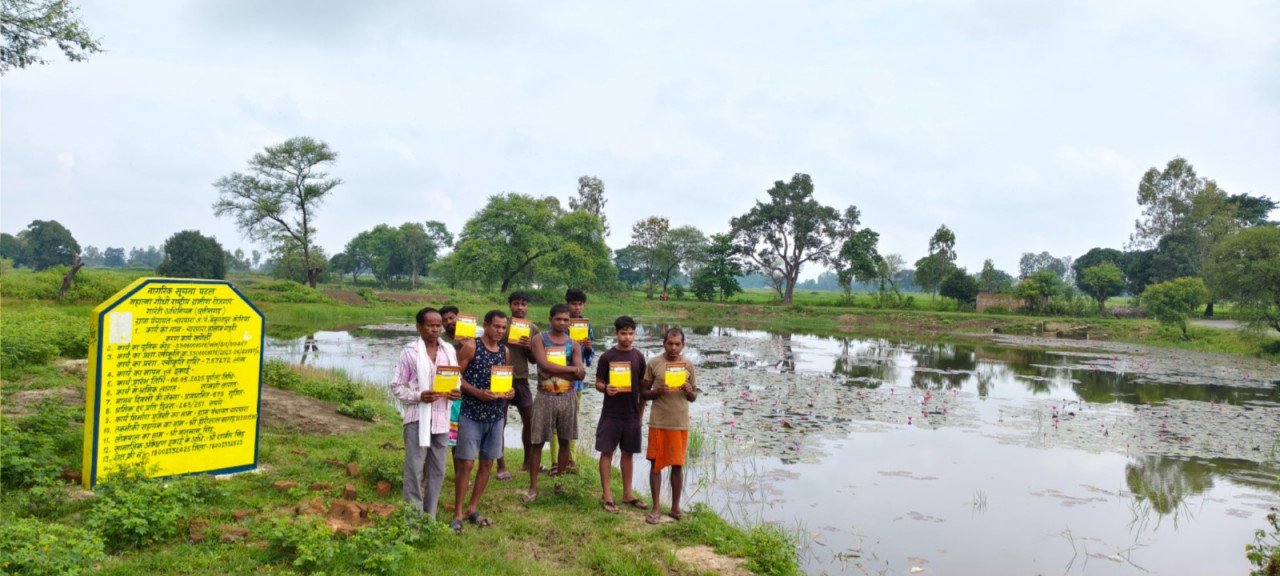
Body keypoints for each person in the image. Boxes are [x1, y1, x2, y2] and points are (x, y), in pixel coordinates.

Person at [389, 307, 461, 518]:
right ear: (419, 327)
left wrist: (455, 391)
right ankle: (413, 519)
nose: (435, 330)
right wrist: (419, 396)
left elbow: (456, 379)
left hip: (442, 419)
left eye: (438, 326)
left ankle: (429, 517)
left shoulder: (449, 350)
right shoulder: (410, 352)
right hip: (417, 419)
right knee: (414, 469)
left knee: (438, 470)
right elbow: (396, 386)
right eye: (430, 325)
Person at [451, 310, 515, 533]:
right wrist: (477, 392)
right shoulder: (471, 346)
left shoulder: (505, 351)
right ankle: (457, 513)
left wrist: (511, 391)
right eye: (496, 326)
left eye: (503, 328)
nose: (500, 331)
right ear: (486, 325)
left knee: (487, 463)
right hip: (471, 413)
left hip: (495, 415)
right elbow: (456, 377)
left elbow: (506, 381)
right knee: (466, 464)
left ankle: (472, 508)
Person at [523, 304, 584, 502]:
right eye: (558, 319)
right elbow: (542, 365)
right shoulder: (539, 339)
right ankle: (533, 487)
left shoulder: (574, 344)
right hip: (545, 396)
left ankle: (559, 482)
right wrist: (571, 370)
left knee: (565, 440)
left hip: (567, 396)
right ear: (551, 319)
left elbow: (581, 372)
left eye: (566, 320)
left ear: (570, 322)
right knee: (537, 442)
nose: (562, 323)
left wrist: (553, 370)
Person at [640, 327, 698, 524]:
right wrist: (656, 391)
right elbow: (643, 392)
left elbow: (693, 397)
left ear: (683, 345)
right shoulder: (654, 363)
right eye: (670, 344)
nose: (673, 348)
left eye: (677, 344)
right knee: (656, 464)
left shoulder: (688, 365)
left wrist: (689, 390)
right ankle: (656, 508)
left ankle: (675, 507)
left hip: (679, 423)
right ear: (663, 343)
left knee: (678, 465)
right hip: (659, 421)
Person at [594, 316, 647, 513]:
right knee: (607, 452)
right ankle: (607, 495)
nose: (627, 337)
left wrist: (640, 414)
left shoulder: (638, 356)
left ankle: (627, 494)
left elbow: (643, 387)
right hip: (611, 413)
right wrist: (605, 388)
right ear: (616, 333)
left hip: (631, 414)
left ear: (635, 334)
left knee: (628, 453)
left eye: (631, 333)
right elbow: (598, 383)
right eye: (623, 333)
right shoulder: (607, 357)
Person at [495, 291, 539, 481]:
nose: (520, 307)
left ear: (527, 306)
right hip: (500, 377)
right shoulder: (501, 324)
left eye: (523, 304)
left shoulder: (533, 329)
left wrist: (530, 346)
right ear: (510, 305)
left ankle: (527, 462)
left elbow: (535, 359)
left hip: (521, 378)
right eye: (516, 304)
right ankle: (501, 465)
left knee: (529, 420)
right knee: (500, 422)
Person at [552, 288, 593, 472]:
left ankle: (571, 460)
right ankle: (555, 461)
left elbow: (589, 359)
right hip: (557, 380)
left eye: (580, 304)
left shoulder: (586, 326)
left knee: (572, 421)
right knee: (555, 423)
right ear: (567, 304)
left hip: (577, 382)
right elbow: (550, 351)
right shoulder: (558, 324)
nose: (577, 307)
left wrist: (588, 347)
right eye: (573, 304)